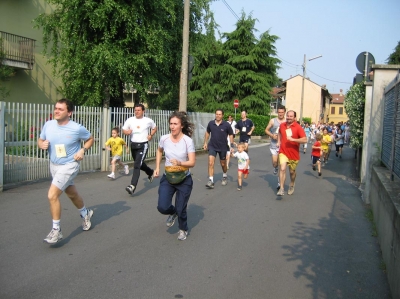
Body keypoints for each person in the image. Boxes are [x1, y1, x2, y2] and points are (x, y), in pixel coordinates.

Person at [38, 98, 94, 244]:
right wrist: (41, 144)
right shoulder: (48, 125)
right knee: (71, 193)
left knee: (52, 195)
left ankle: (56, 231)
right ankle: (85, 213)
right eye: (56, 108)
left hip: (70, 165)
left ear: (69, 112)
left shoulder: (76, 128)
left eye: (60, 109)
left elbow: (90, 139)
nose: (56, 111)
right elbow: (40, 139)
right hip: (54, 165)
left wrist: (83, 150)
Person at [154, 111, 196, 241]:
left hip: (184, 179)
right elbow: (159, 150)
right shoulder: (164, 138)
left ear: (181, 125)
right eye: (171, 124)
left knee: (181, 207)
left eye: (175, 124)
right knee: (162, 206)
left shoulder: (187, 141)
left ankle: (183, 229)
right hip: (168, 177)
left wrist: (180, 163)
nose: (172, 126)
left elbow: (192, 162)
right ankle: (173, 212)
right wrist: (157, 167)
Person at [122, 104, 157, 195]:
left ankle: (132, 186)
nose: (137, 112)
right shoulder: (130, 120)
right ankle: (150, 172)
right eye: (135, 110)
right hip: (133, 145)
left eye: (139, 110)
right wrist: (127, 132)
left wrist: (150, 135)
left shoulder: (148, 120)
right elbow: (124, 130)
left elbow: (154, 128)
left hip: (143, 145)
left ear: (143, 111)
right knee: (139, 164)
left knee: (137, 165)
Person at [276, 110, 307, 196]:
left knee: (292, 172)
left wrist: (294, 140)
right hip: (283, 151)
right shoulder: (282, 125)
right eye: (288, 116)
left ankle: (292, 183)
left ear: (294, 118)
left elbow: (305, 140)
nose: (289, 117)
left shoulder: (298, 127)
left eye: (291, 116)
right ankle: (281, 189)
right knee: (282, 168)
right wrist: (278, 142)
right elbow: (279, 133)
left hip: (294, 154)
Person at [203, 109, 235, 189]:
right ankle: (211, 181)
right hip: (212, 146)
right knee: (210, 163)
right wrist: (205, 142)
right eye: (216, 114)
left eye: (219, 114)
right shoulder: (211, 123)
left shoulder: (226, 125)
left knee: (223, 164)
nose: (218, 115)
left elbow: (231, 134)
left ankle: (224, 176)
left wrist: (231, 146)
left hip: (223, 147)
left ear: (222, 115)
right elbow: (207, 132)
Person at [265, 105, 286, 190]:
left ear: (284, 112)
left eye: (282, 112)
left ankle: (279, 183)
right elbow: (266, 130)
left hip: (283, 146)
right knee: (274, 162)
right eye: (279, 112)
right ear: (277, 112)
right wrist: (272, 135)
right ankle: (275, 167)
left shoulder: (286, 121)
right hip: (274, 144)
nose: (280, 114)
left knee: (282, 166)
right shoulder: (273, 121)